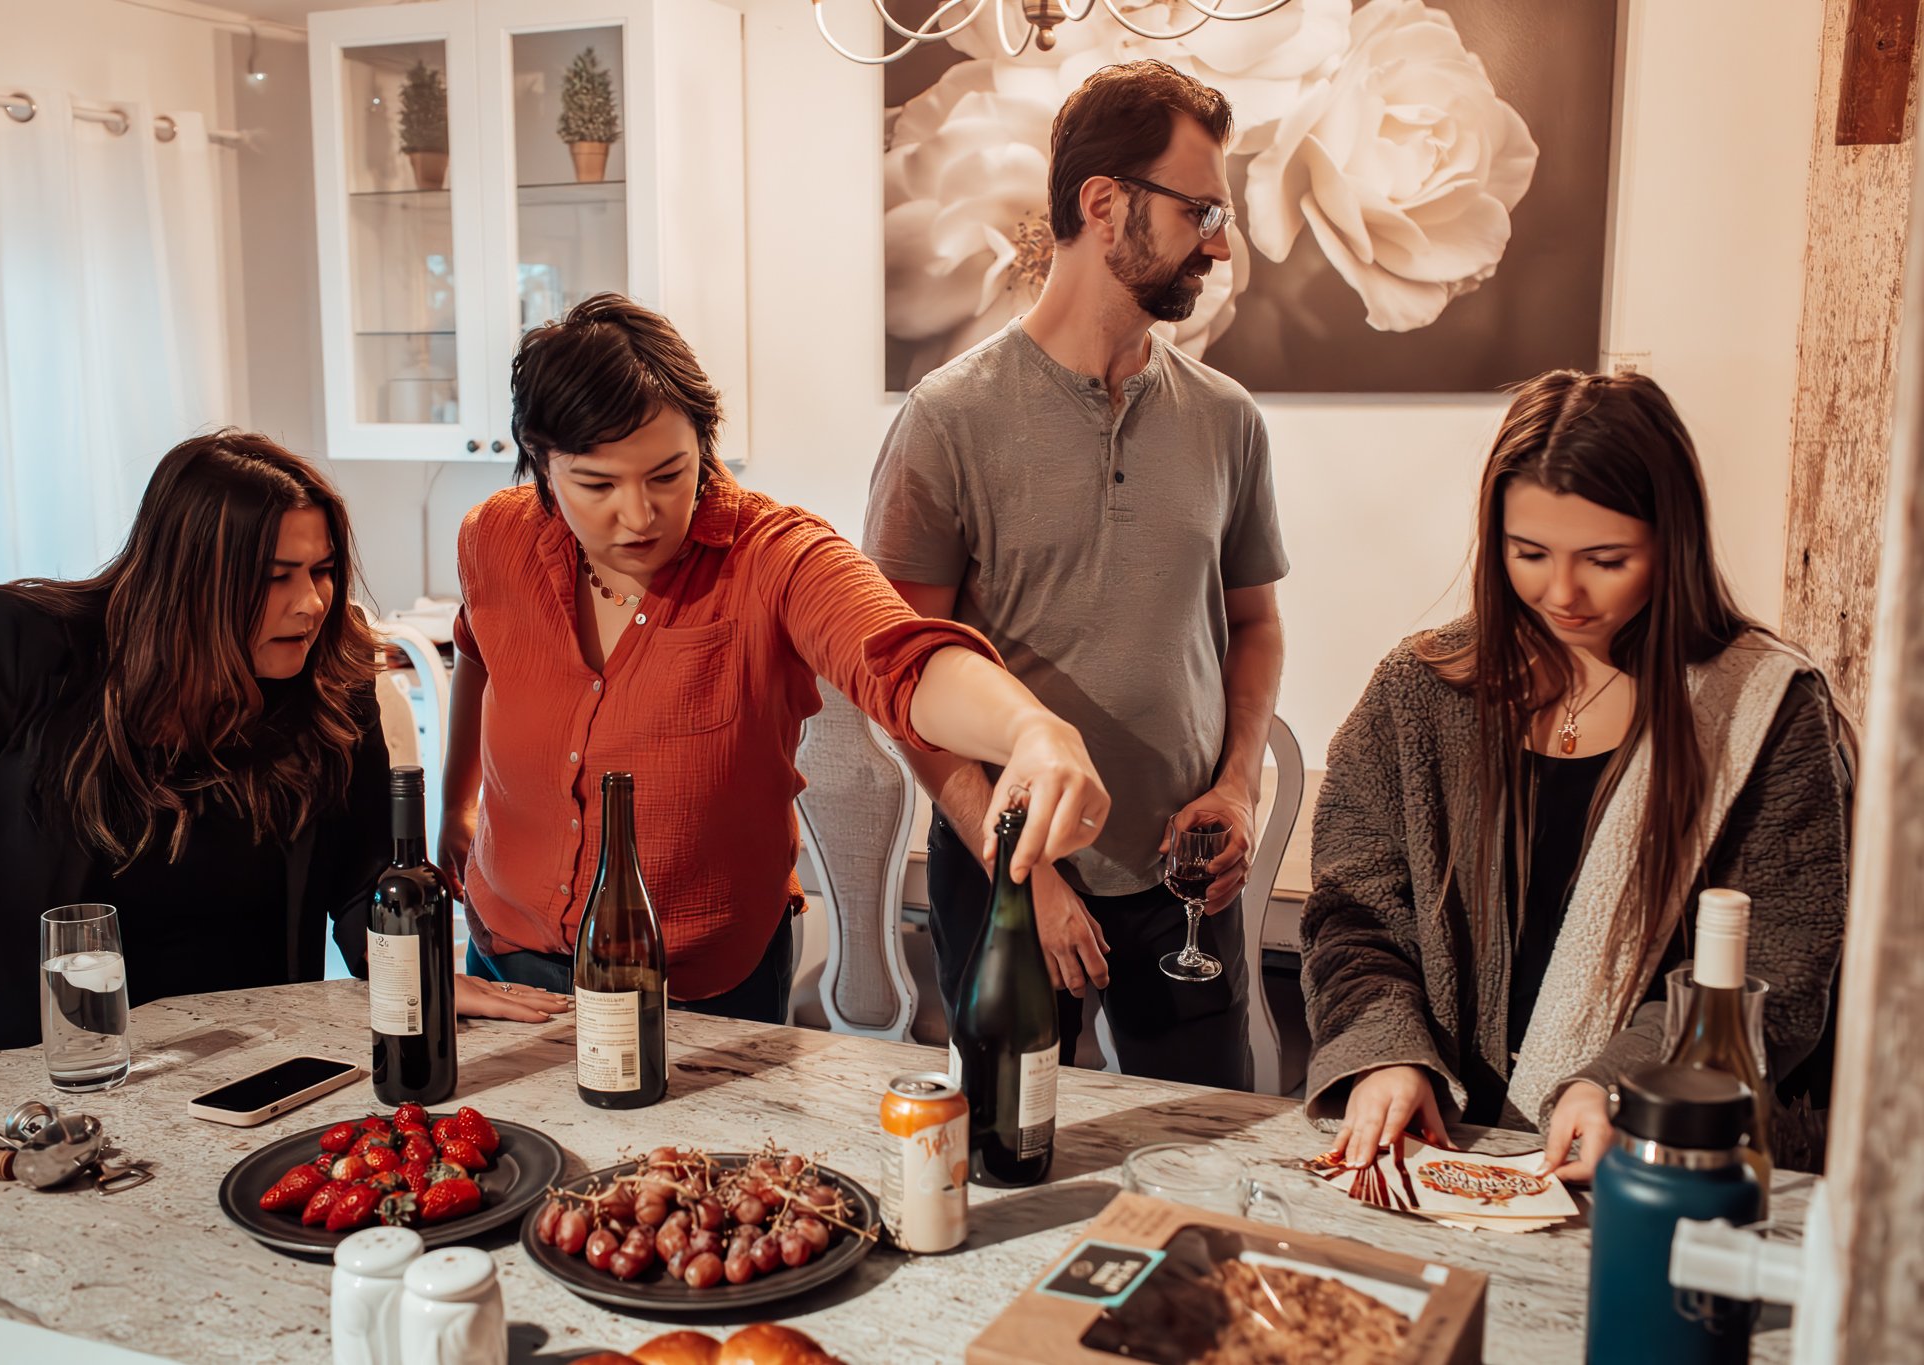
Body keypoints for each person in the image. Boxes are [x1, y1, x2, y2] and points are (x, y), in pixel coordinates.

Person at [443, 294, 1108, 1024]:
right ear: (541, 464)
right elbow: (478, 655)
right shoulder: (494, 538)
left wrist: (1030, 730)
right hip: (508, 957)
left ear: (704, 445)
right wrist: (454, 801)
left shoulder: (774, 555)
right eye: (597, 484)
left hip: (698, 985)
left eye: (668, 474)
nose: (638, 515)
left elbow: (901, 659)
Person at [1302, 370, 1850, 1182]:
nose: (1562, 593)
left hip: (1656, 1152)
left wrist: (1619, 1084)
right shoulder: (1420, 692)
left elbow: (1776, 964)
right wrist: (1385, 1054)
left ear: (1673, 539)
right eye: (1529, 553)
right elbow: (1355, 913)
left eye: (1606, 559)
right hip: (1445, 1144)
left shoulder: (1758, 707)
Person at [864, 60, 1287, 1089]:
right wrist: (1028, 874)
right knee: (1014, 1143)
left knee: (1202, 1140)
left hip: (1184, 883)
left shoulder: (1227, 419)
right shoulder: (946, 421)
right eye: (1199, 212)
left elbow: (1253, 626)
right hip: (1005, 875)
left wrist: (1236, 787)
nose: (1219, 244)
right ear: (1103, 206)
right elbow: (900, 683)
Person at [0, 432, 562, 1063]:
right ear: (190, 580)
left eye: (322, 570)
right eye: (276, 576)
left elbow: (363, 883)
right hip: (1, 1063)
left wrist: (415, 967)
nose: (312, 603)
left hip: (235, 1065)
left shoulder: (332, 683)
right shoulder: (25, 645)